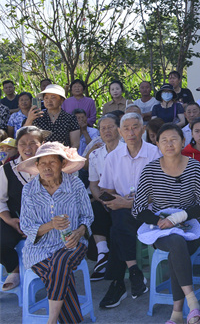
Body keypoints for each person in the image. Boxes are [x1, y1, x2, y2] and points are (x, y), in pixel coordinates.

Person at [133, 123, 200, 324]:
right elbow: (138, 209)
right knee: (175, 241)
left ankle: (177, 314)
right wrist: (159, 221)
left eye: (174, 139)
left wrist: (178, 218)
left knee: (177, 248)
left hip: (192, 225)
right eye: (164, 140)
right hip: (161, 229)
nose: (169, 144)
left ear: (183, 142)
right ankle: (192, 302)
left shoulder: (194, 167)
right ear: (157, 144)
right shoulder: (150, 170)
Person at [19, 142, 93, 324]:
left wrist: (79, 232)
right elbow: (27, 226)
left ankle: (51, 320)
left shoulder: (75, 185)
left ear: (62, 164)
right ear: (37, 166)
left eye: (52, 162)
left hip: (72, 244)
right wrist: (51, 225)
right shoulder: (29, 190)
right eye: (42, 163)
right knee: (59, 271)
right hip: (38, 250)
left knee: (60, 262)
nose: (47, 167)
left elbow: (88, 216)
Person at [97, 113, 161, 308]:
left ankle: (118, 283)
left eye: (135, 127)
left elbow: (160, 191)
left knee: (118, 223)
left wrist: (129, 203)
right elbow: (106, 189)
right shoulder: (113, 157)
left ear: (143, 129)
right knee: (119, 217)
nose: (131, 132)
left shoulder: (155, 153)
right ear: (120, 132)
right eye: (126, 128)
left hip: (151, 211)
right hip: (123, 213)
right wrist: (117, 200)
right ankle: (134, 273)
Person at [0, 126, 44, 291]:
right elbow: (0, 200)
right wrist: (10, 220)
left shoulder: (50, 168)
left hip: (45, 223)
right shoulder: (7, 170)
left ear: (42, 144)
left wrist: (36, 228)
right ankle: (14, 268)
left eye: (33, 143)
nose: (27, 148)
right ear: (17, 146)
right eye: (22, 143)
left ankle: (47, 276)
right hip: (14, 221)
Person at [87, 115, 120, 281]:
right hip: (105, 199)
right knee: (94, 207)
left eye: (110, 127)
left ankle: (111, 262)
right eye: (103, 128)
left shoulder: (128, 150)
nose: (106, 131)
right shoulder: (95, 155)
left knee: (117, 216)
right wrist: (101, 199)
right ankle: (102, 253)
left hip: (125, 200)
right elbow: (93, 185)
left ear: (119, 129)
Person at [30, 84, 80, 149]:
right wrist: (30, 119)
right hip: (42, 153)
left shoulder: (70, 118)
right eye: (46, 98)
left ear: (61, 100)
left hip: (63, 153)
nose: (49, 101)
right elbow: (25, 135)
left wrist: (68, 154)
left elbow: (75, 143)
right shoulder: (38, 117)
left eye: (53, 97)